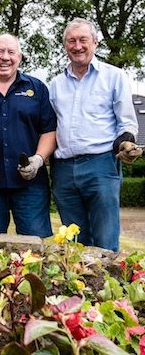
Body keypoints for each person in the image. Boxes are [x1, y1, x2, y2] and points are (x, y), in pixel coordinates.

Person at [49, 18, 142, 252]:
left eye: (83, 40)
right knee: (74, 243)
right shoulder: (55, 85)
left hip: (101, 165)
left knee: (105, 240)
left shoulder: (115, 76)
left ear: (95, 42)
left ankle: (107, 277)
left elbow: (127, 122)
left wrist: (126, 142)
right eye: (71, 41)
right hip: (63, 169)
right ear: (65, 45)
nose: (77, 46)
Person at [0, 33, 56, 237]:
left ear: (20, 57)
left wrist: (38, 160)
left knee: (34, 246)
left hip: (31, 186)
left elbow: (49, 130)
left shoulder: (37, 89)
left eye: (11, 52)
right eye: (0, 51)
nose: (5, 57)